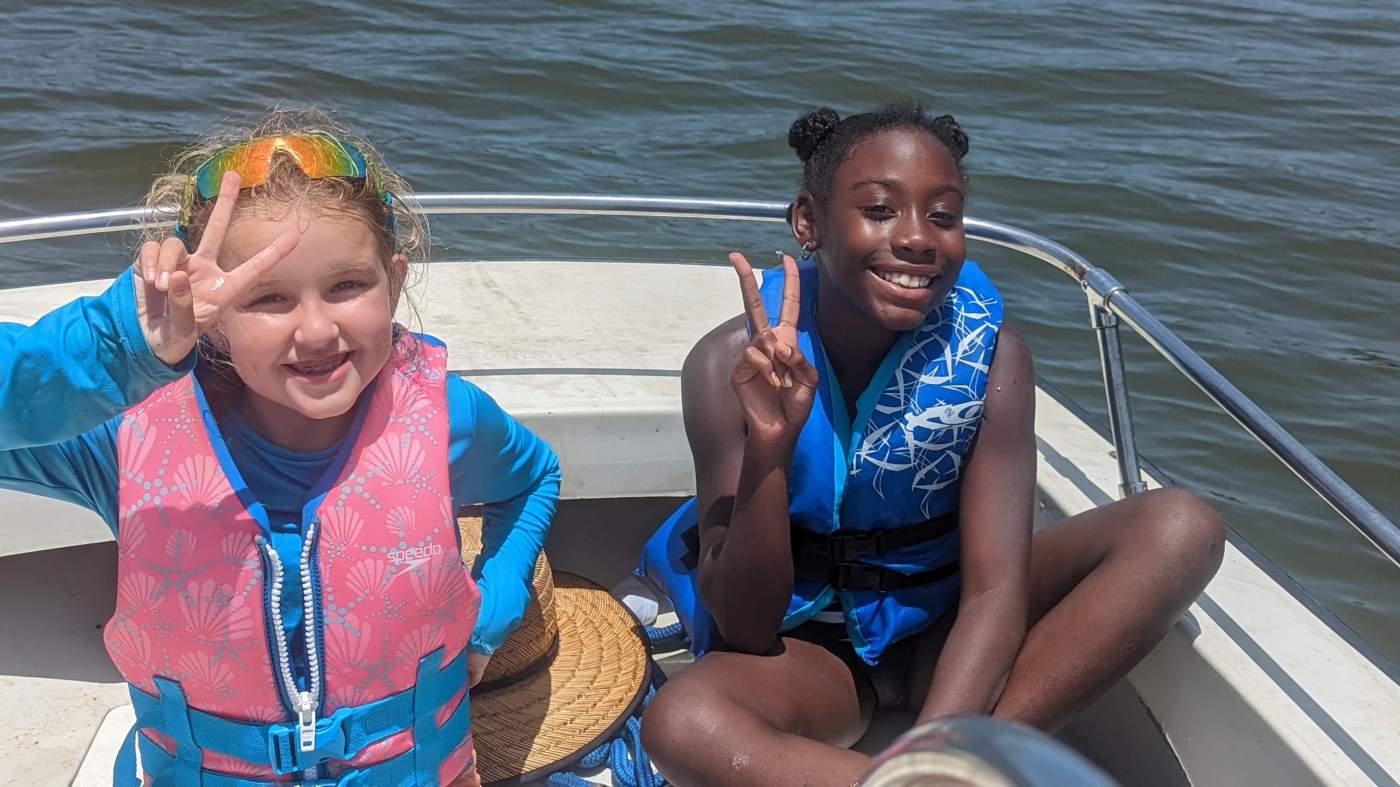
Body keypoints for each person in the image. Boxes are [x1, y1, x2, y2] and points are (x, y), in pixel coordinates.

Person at [638, 102, 1225, 787]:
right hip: (814, 654)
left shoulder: (993, 359)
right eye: (881, 210)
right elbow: (743, 626)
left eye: (943, 216)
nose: (918, 238)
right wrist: (772, 445)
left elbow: (995, 590)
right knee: (683, 722)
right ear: (809, 222)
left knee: (1181, 528)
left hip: (950, 622)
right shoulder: (722, 367)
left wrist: (929, 755)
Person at [0, 108, 561, 786]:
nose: (317, 329)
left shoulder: (445, 417)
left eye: (348, 285)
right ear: (211, 318)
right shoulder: (121, 439)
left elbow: (533, 478)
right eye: (268, 298)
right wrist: (121, 345)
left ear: (397, 282)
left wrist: (491, 613)